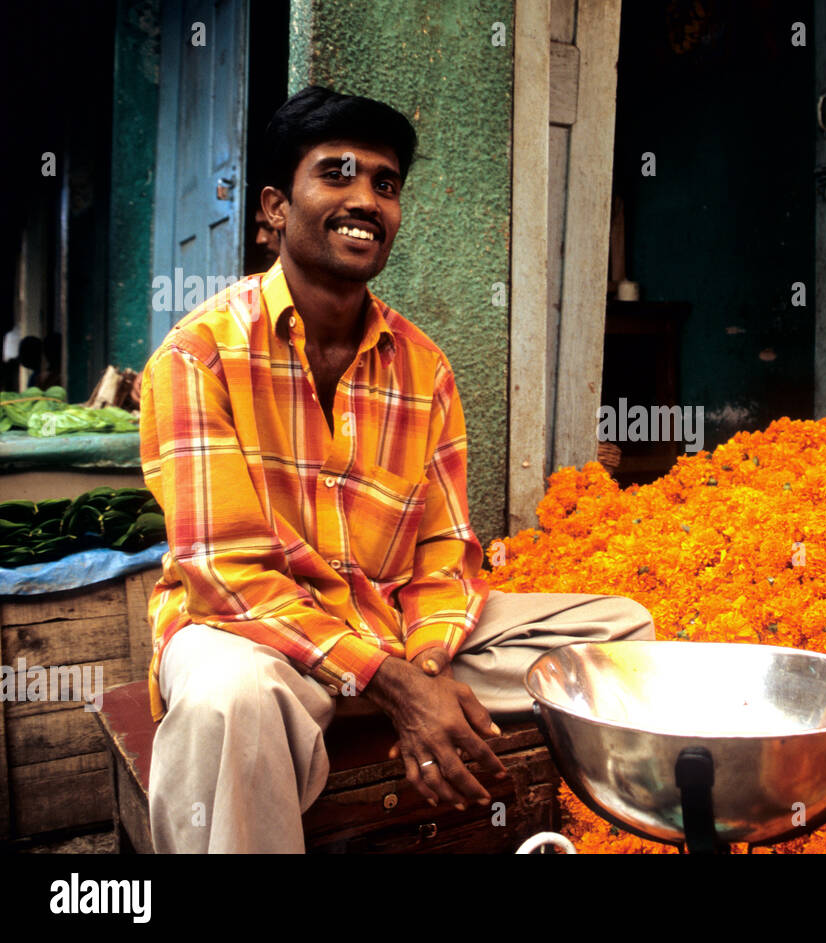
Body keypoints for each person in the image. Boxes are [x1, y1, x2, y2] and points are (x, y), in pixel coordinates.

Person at [138, 86, 656, 853]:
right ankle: (337, 704)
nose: (366, 200)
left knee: (619, 630)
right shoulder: (197, 355)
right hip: (249, 637)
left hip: (385, 630)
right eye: (338, 174)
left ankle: (595, 824)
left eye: (385, 183)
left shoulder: (425, 367)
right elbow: (229, 575)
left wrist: (425, 663)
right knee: (228, 700)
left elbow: (445, 555)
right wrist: (400, 687)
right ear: (277, 208)